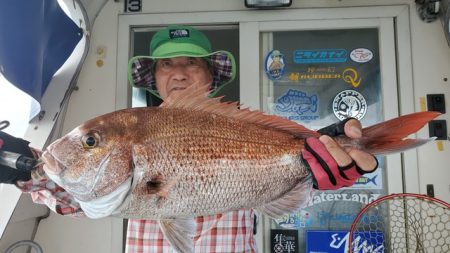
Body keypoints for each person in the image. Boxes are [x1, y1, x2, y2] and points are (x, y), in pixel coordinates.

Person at [0, 25, 377, 252]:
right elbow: (79, 199)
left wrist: (320, 172)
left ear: (210, 73)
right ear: (155, 76)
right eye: (167, 63)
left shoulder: (247, 127)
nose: (178, 73)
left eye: (190, 62)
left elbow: (297, 168)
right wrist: (25, 168)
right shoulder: (130, 131)